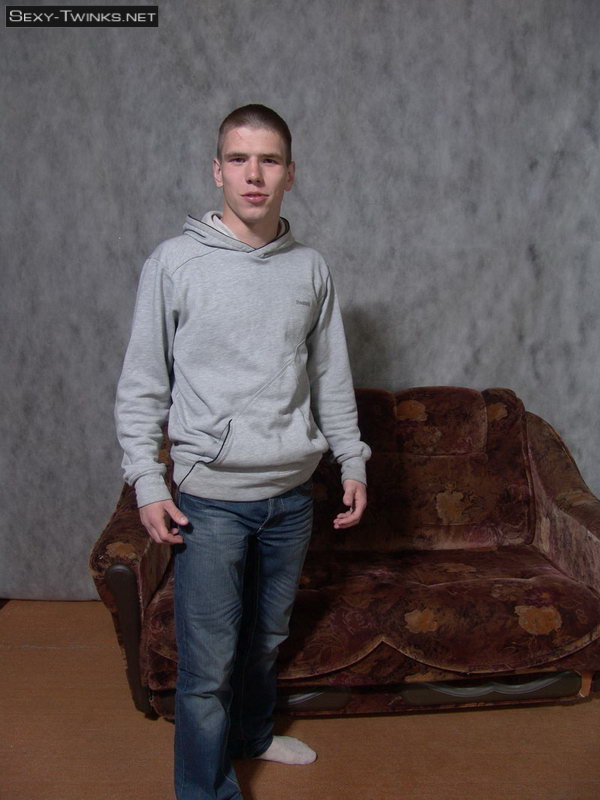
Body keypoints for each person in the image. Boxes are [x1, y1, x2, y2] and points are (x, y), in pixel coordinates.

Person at [115, 104, 371, 800]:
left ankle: (254, 736)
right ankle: (206, 790)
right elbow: (143, 384)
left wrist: (351, 460)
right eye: (238, 159)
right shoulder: (175, 263)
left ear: (290, 173)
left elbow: (330, 377)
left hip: (292, 496)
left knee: (265, 640)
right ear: (217, 171)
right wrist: (147, 481)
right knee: (207, 668)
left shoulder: (310, 268)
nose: (253, 174)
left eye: (268, 160)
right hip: (211, 501)